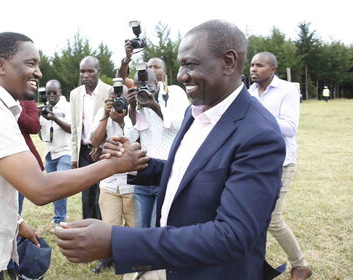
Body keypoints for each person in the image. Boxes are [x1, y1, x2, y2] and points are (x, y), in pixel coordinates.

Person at [55, 19, 287, 280]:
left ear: (229, 62)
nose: (180, 75)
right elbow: (189, 174)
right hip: (170, 263)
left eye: (190, 64)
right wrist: (139, 163)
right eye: (180, 64)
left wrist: (116, 240)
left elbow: (233, 236)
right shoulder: (195, 111)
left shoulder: (259, 134)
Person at [0, 32, 147, 280]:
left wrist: (16, 223)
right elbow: (39, 188)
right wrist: (112, 165)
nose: (39, 73)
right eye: (31, 63)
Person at [249, 52, 312, 280]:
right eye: (252, 65)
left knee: (273, 220)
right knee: (254, 217)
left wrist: (257, 115)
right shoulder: (251, 92)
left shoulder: (287, 90)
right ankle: (254, 268)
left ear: (273, 69)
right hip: (255, 162)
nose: (253, 69)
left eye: (259, 65)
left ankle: (301, 265)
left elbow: (290, 127)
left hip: (281, 162)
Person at [117, 47, 189, 231]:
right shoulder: (139, 103)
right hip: (145, 170)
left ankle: (158, 260)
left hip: (168, 170)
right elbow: (131, 137)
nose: (144, 89)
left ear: (158, 82)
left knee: (157, 226)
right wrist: (133, 108)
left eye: (148, 84)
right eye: (139, 86)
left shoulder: (175, 93)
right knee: (141, 228)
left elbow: (182, 125)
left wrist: (155, 106)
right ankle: (144, 260)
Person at [89, 84, 135, 274]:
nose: (117, 101)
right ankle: (107, 259)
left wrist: (123, 121)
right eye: (113, 98)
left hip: (132, 183)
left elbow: (136, 138)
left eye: (120, 97)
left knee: (135, 227)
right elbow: (94, 141)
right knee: (110, 226)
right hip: (109, 181)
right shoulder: (102, 112)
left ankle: (134, 260)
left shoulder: (135, 112)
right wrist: (106, 117)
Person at [70, 56, 111, 220]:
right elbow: (74, 128)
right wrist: (74, 157)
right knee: (86, 197)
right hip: (84, 152)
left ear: (98, 72)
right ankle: (87, 231)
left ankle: (101, 233)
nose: (85, 75)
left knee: (101, 196)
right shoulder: (75, 94)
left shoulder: (108, 91)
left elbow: (112, 122)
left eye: (90, 71)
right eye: (82, 71)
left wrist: (100, 145)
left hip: (103, 151)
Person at [39, 80, 71, 227]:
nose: (51, 95)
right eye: (48, 93)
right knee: (52, 187)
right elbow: (41, 134)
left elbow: (72, 129)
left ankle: (60, 218)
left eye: (54, 92)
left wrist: (55, 119)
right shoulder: (44, 109)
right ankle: (58, 215)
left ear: (60, 91)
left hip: (65, 151)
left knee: (60, 185)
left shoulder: (67, 107)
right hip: (49, 152)